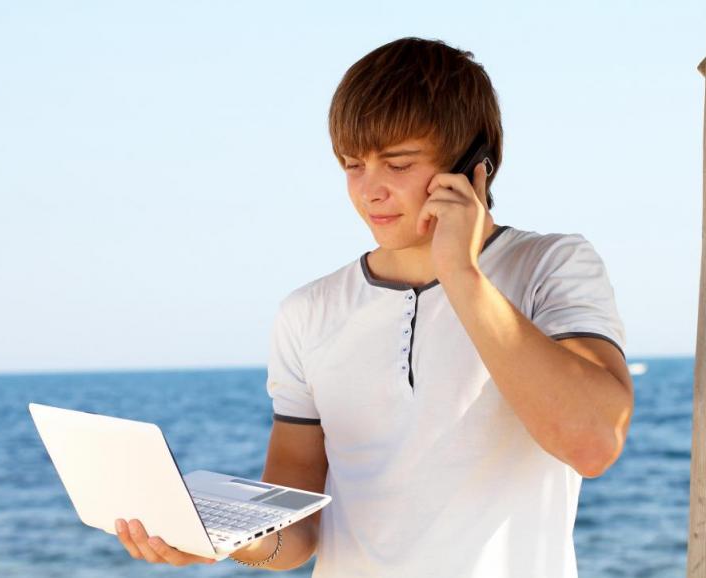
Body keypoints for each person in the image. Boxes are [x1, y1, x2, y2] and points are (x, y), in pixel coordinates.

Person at [115, 36, 634, 577]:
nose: (370, 191)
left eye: (399, 163)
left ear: (473, 165)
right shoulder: (307, 312)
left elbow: (593, 443)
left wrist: (460, 272)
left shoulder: (551, 265)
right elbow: (295, 534)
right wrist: (226, 539)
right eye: (352, 165)